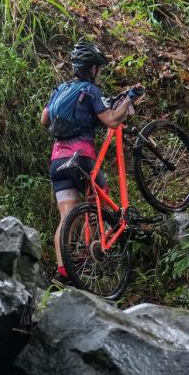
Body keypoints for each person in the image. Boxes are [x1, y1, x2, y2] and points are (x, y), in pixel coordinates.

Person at [42, 41, 143, 284]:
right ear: (92, 69)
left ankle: (63, 271)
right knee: (101, 194)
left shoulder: (60, 89)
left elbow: (44, 120)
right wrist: (129, 99)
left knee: (67, 218)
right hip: (82, 157)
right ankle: (99, 246)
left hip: (58, 161)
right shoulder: (90, 90)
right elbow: (111, 120)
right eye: (99, 69)